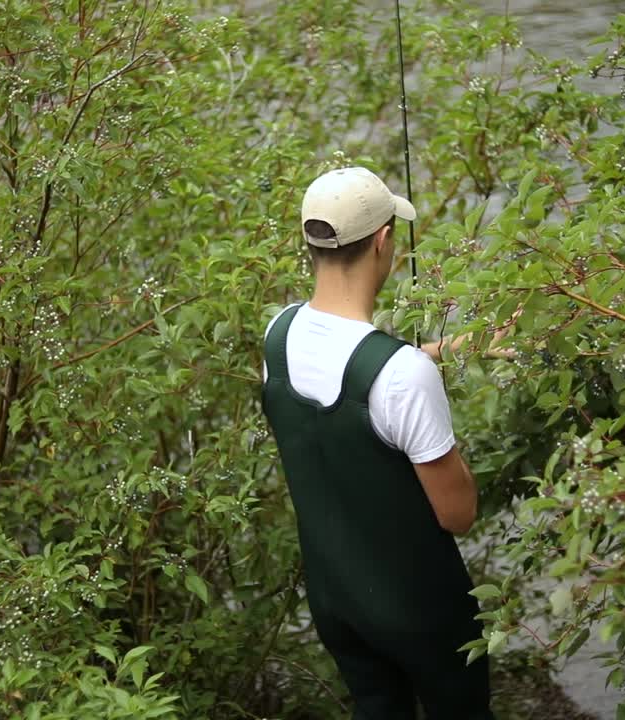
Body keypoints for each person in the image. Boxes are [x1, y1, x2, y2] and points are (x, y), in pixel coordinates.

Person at [260, 166, 496, 720]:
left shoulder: (279, 335)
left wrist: (450, 349)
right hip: (423, 613)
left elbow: (352, 382)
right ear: (384, 241)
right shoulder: (402, 375)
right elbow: (459, 514)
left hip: (338, 604)